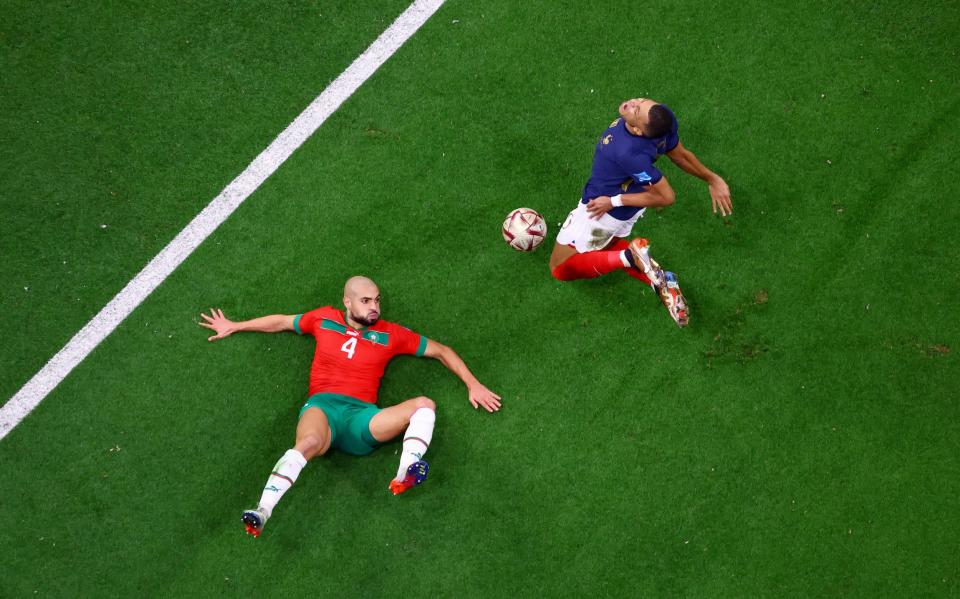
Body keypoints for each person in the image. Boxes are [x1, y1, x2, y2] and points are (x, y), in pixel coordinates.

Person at [199, 276, 501, 537]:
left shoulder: (391, 334)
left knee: (425, 405)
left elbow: (441, 351)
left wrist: (473, 383)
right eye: (367, 300)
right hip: (323, 409)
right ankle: (263, 510)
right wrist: (236, 325)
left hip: (362, 419)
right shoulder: (323, 319)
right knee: (308, 442)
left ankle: (404, 474)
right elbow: (282, 321)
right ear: (348, 301)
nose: (375, 307)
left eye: (377, 300)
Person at [549, 97, 733, 327]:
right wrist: (712, 179)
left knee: (560, 268)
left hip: (602, 210)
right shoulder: (662, 118)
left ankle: (629, 256)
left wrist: (613, 201)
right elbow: (680, 155)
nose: (632, 103)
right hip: (633, 201)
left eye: (636, 110)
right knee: (606, 245)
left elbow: (666, 197)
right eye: (641, 102)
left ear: (636, 130)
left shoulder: (626, 152)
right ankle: (666, 286)